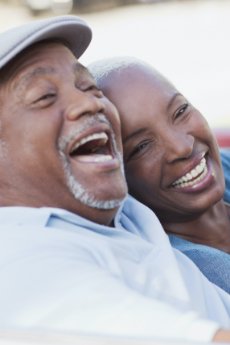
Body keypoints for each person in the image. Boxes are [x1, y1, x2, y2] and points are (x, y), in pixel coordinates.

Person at [0, 16, 230, 345]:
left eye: (87, 87)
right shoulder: (26, 262)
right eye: (44, 97)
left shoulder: (104, 204)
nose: (89, 103)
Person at [89, 56, 230, 293]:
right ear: (116, 174)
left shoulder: (222, 165)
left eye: (181, 111)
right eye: (142, 146)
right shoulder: (198, 273)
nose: (181, 147)